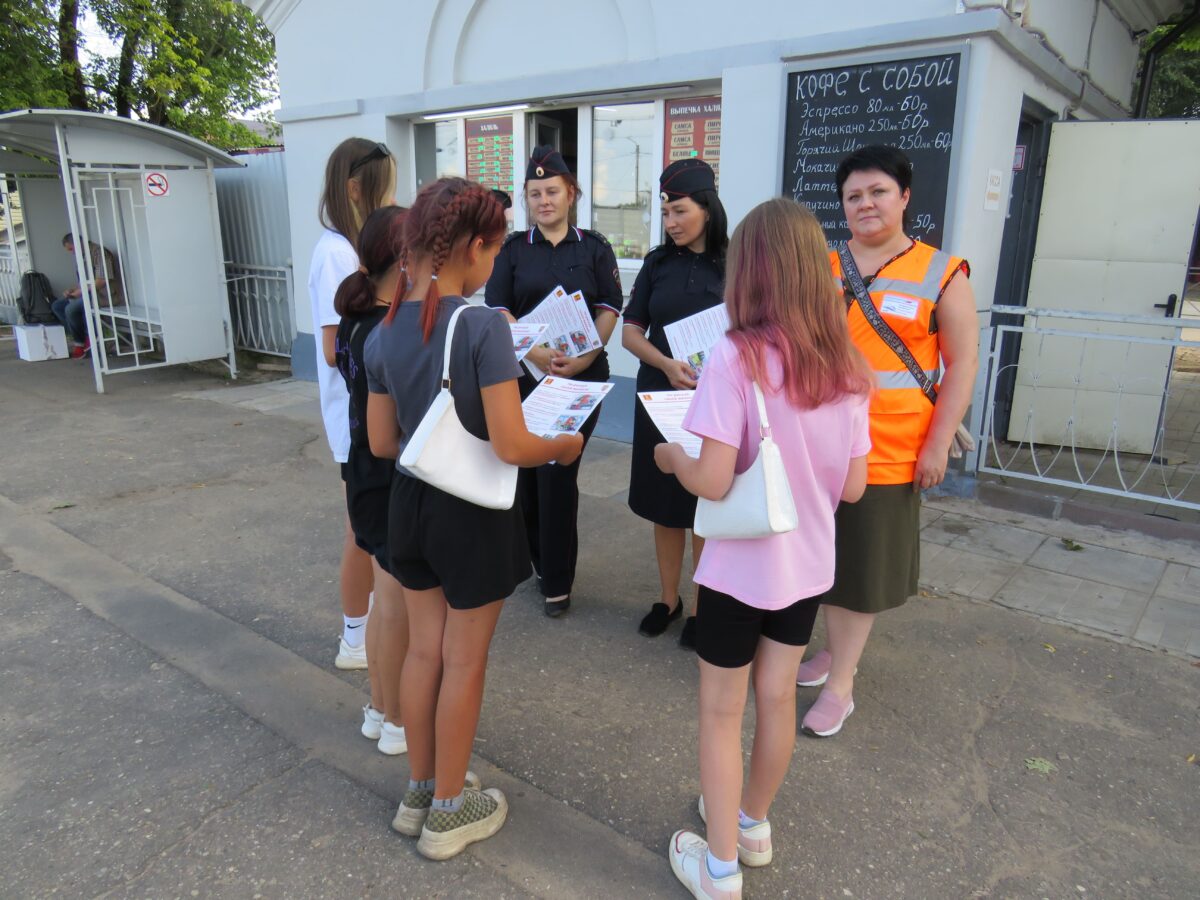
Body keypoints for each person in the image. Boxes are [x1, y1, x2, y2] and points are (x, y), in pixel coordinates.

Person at [656, 198, 871, 899]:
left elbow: (713, 480)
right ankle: (751, 825)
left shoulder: (733, 356)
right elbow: (856, 487)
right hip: (807, 568)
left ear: (749, 271)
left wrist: (670, 459)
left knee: (722, 713)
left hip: (739, 571)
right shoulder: (848, 363)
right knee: (777, 699)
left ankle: (718, 871)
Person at [364, 177, 583, 859]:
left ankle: (421, 792)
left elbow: (379, 442)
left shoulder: (384, 327)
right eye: (496, 245)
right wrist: (565, 443)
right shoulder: (482, 324)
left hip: (410, 503)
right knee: (465, 660)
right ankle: (453, 813)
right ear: (477, 248)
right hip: (472, 515)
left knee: (424, 650)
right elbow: (513, 445)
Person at [794, 144, 979, 738]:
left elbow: (963, 365)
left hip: (891, 449)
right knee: (825, 558)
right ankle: (831, 653)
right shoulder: (819, 264)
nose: (865, 204)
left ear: (904, 197)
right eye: (853, 196)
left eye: (877, 192)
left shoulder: (941, 273)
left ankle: (842, 684)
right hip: (818, 443)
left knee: (864, 568)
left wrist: (938, 443)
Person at [484, 146, 623, 617]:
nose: (544, 201)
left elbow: (609, 307)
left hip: (580, 380)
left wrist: (587, 356)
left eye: (552, 192)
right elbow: (499, 308)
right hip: (524, 377)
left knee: (559, 473)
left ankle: (558, 582)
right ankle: (540, 561)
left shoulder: (595, 247)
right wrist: (532, 351)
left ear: (571, 194)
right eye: (534, 193)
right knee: (527, 473)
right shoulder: (513, 250)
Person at [622, 158, 728, 647]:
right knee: (666, 506)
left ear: (707, 207)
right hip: (660, 395)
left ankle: (706, 608)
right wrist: (665, 364)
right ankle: (668, 599)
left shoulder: (736, 264)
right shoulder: (657, 263)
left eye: (679, 211)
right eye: (665, 213)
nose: (671, 223)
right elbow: (629, 332)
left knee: (705, 503)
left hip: (715, 403)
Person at [309, 137, 396, 670]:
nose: (389, 198)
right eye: (384, 186)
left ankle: (359, 633)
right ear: (355, 189)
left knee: (365, 529)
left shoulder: (349, 246)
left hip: (366, 412)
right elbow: (330, 345)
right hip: (357, 415)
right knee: (360, 532)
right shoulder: (339, 251)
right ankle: (354, 637)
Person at [332, 206, 410, 754]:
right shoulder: (390, 329)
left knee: (387, 601)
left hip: (362, 469)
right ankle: (399, 721)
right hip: (389, 475)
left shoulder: (356, 319)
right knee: (397, 607)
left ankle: (379, 709)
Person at [53, 233, 123, 358]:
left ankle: (80, 343)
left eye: (71, 249)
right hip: (89, 293)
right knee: (57, 306)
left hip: (104, 295)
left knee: (71, 309)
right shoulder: (83, 256)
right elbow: (85, 282)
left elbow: (102, 281)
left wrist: (81, 292)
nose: (71, 253)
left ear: (78, 243)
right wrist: (73, 290)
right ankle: (84, 337)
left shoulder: (99, 253)